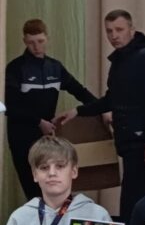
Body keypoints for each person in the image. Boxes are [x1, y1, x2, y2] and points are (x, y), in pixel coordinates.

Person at [55, 9, 145, 223]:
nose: (114, 35)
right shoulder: (120, 61)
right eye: (109, 31)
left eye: (119, 29)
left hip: (143, 141)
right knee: (130, 200)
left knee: (137, 201)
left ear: (132, 30)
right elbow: (111, 99)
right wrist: (78, 111)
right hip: (128, 141)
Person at [4, 18, 96, 198]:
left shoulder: (55, 67)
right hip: (22, 137)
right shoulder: (15, 68)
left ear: (47, 38)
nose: (36, 47)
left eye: (40, 41)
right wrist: (38, 122)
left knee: (52, 189)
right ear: (24, 41)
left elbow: (80, 91)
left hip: (47, 137)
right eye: (31, 42)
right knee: (33, 190)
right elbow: (10, 107)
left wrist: (102, 109)